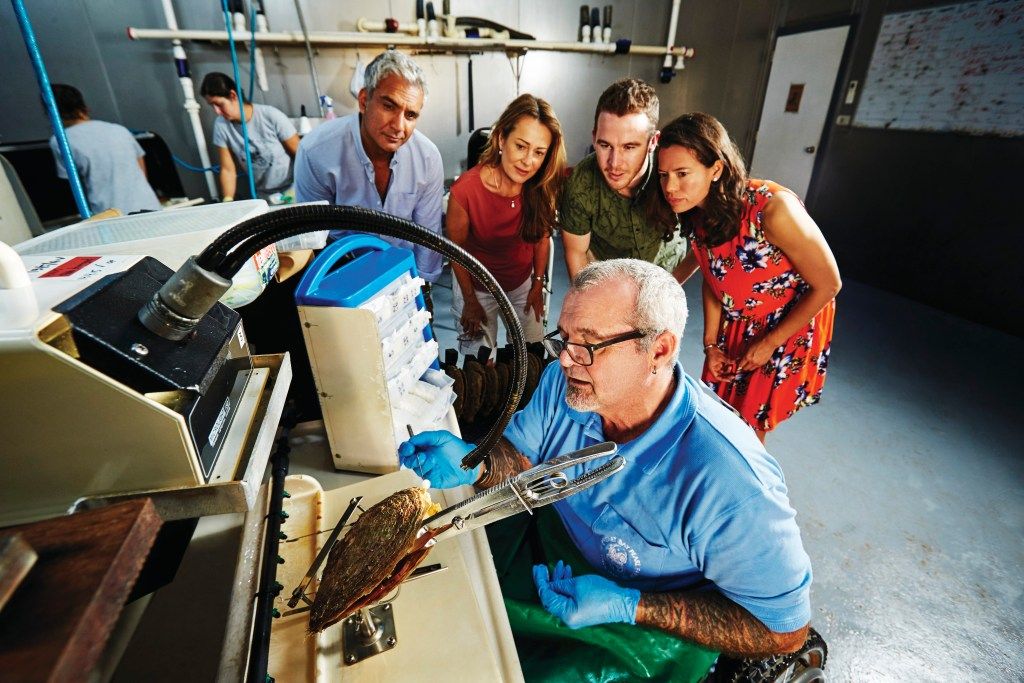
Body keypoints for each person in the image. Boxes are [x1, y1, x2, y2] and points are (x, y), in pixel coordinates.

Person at [400, 259, 812, 677]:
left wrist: (631, 605)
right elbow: (524, 457)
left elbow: (783, 631)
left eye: (590, 345)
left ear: (659, 349)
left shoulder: (731, 483)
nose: (565, 360)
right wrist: (478, 465)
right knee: (440, 604)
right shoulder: (569, 385)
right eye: (565, 338)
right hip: (556, 543)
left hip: (645, 619)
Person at [653, 113, 841, 442]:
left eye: (683, 174)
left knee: (751, 426)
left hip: (787, 323)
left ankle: (752, 487)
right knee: (726, 412)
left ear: (716, 169)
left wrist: (769, 343)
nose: (670, 187)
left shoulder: (772, 210)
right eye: (664, 175)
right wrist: (711, 343)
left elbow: (828, 283)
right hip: (740, 318)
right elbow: (714, 275)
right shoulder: (697, 208)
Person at [293, 50, 444, 285]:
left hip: (404, 273)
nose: (398, 126)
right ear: (364, 101)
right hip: (343, 270)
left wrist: (423, 290)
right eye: (389, 106)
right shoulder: (316, 152)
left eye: (411, 115)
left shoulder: (427, 158)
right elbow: (312, 239)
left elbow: (429, 236)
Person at [447, 94, 566, 357]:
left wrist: (537, 285)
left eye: (539, 152)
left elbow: (542, 238)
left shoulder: (540, 187)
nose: (528, 161)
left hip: (521, 281)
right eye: (521, 146)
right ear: (502, 139)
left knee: (532, 354)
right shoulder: (465, 191)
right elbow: (455, 251)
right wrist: (469, 301)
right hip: (476, 286)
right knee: (478, 362)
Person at [560, 78, 696, 283]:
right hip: (609, 278)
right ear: (594, 137)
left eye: (629, 147)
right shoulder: (581, 184)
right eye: (605, 145)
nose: (614, 163)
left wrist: (671, 288)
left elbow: (709, 241)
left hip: (666, 272)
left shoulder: (674, 170)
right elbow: (576, 253)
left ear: (653, 142)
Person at [46, 83, 161, 215]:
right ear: (83, 106)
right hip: (149, 206)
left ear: (51, 112)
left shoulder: (60, 140)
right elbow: (139, 161)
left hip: (110, 215)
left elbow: (73, 185)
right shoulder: (118, 129)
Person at [200, 72, 299, 201]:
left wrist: (300, 187)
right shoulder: (221, 126)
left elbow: (300, 154)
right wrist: (228, 200)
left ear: (233, 95)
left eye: (219, 104)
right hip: (264, 196)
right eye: (212, 106)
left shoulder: (270, 116)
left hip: (292, 188)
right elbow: (228, 169)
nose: (217, 111)